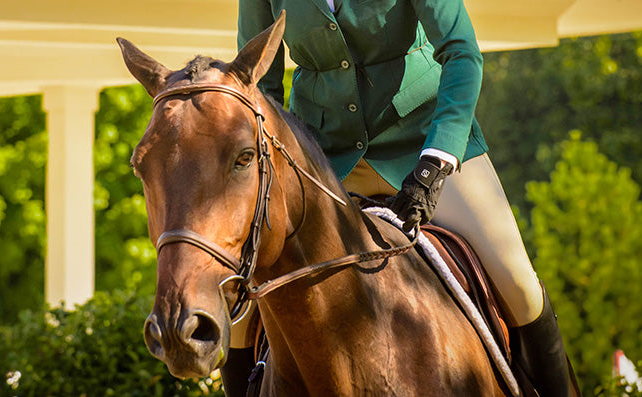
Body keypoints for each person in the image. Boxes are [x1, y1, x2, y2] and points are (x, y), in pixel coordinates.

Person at [230, 0, 579, 396]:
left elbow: (462, 51)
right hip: (324, 158)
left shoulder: (435, 150)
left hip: (425, 143)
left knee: (517, 283)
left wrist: (438, 158)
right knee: (242, 303)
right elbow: (258, 85)